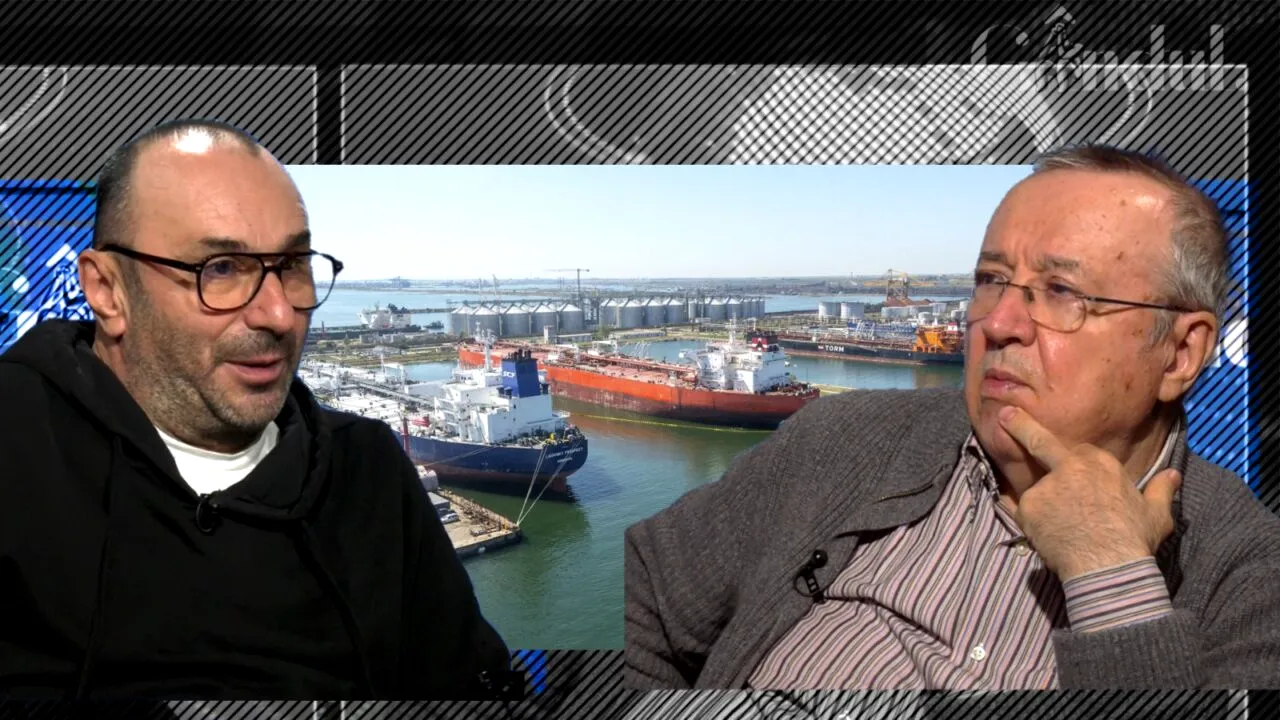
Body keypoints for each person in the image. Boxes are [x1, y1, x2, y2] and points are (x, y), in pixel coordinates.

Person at [624, 144, 1280, 690]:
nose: (997, 322)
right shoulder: (844, 439)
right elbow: (643, 594)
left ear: (1180, 353)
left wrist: (1112, 583)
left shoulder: (1250, 580)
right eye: (991, 280)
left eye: (1061, 291)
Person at [0, 119, 517, 700]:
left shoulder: (367, 466)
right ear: (107, 290)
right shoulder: (17, 447)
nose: (278, 314)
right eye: (220, 268)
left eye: (293, 265)